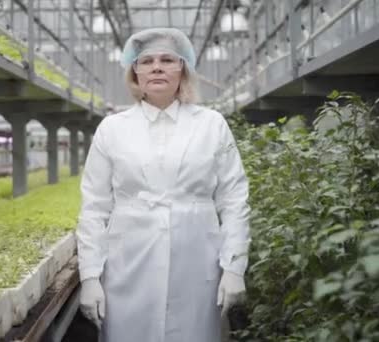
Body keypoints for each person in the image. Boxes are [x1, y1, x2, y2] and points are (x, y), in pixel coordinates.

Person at [76, 27, 250, 342]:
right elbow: (94, 208)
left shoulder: (211, 125)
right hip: (127, 266)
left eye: (168, 59)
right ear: (135, 72)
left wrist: (234, 267)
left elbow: (234, 200)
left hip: (197, 263)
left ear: (183, 69)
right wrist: (89, 277)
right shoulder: (112, 129)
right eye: (146, 61)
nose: (157, 67)